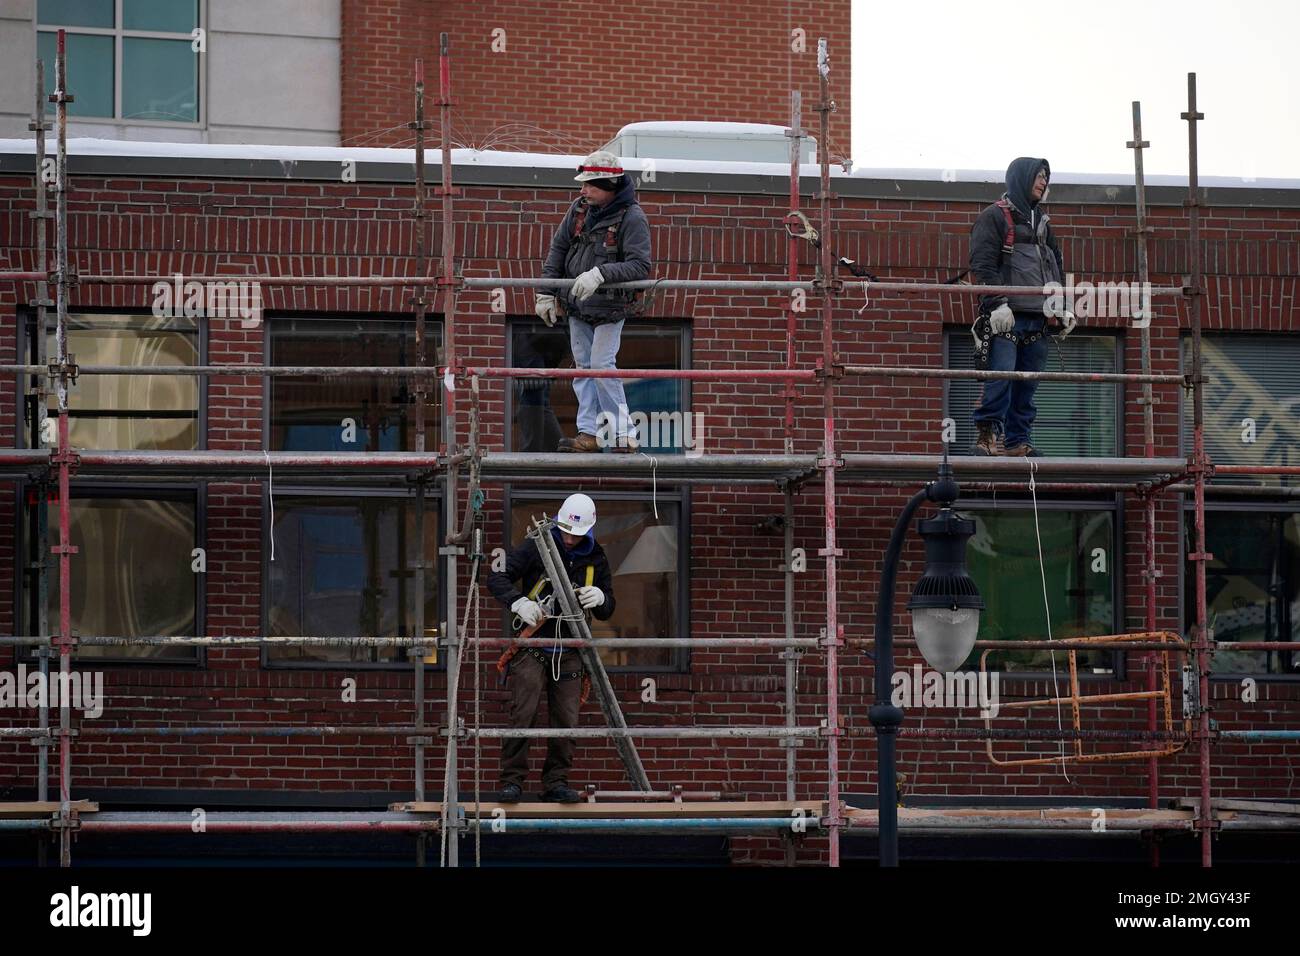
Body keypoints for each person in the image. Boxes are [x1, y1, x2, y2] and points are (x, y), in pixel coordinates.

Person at [486, 492, 617, 803]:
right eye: (566, 532)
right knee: (524, 714)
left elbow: (608, 607)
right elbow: (497, 577)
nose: (569, 540)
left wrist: (599, 597)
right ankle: (512, 782)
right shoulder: (538, 545)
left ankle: (556, 782)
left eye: (576, 535)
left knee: (566, 720)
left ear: (588, 531)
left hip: (570, 649)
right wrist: (518, 603)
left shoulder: (596, 557)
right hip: (534, 644)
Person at [535, 150, 652, 453]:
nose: (582, 190)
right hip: (578, 304)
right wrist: (546, 291)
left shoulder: (632, 217)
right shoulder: (578, 211)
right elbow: (558, 249)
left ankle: (623, 434)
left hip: (611, 307)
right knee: (584, 368)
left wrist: (601, 273)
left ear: (609, 186)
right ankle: (588, 432)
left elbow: (640, 266)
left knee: (601, 366)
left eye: (590, 185)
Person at [969, 157, 1076, 457]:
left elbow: (1054, 266)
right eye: (1038, 176)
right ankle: (987, 439)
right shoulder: (994, 217)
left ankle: (1017, 442)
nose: (1043, 181)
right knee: (1000, 379)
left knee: (1027, 387)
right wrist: (997, 303)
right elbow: (983, 265)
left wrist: (1061, 305)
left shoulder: (1042, 222)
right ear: (1021, 178)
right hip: (1006, 317)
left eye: (1046, 177)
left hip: (1038, 319)